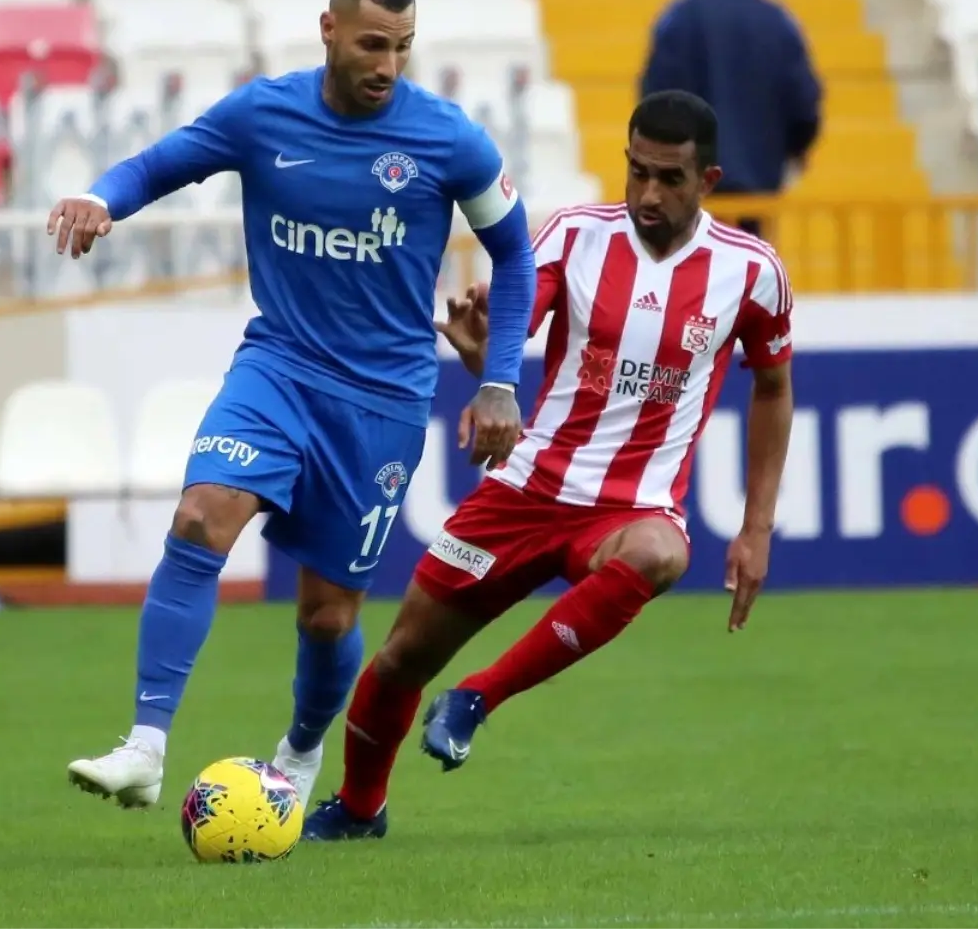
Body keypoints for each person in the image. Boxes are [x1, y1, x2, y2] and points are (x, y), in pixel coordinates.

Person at [57, 0, 535, 810]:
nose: (388, 64)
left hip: (382, 403)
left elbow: (514, 252)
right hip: (277, 367)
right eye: (372, 44)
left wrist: (499, 379)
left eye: (402, 47)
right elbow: (158, 165)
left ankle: (302, 750)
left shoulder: (450, 139)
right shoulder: (262, 113)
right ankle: (145, 745)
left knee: (327, 616)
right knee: (201, 518)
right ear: (329, 29)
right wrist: (99, 199)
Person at [301, 90, 796, 841]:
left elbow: (773, 386)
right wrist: (478, 354)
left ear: (709, 180)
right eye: (636, 172)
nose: (647, 193)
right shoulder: (572, 237)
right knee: (402, 658)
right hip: (528, 488)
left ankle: (478, 697)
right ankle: (360, 809)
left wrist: (757, 526)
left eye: (669, 178)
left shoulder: (751, 272)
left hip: (635, 506)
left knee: (662, 552)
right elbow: (503, 344)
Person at [639, 0, 821, 236]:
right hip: (756, 196)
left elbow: (653, 100)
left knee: (691, 277)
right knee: (748, 276)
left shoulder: (678, 18)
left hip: (687, 193)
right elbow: (804, 105)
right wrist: (793, 150)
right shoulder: (778, 22)